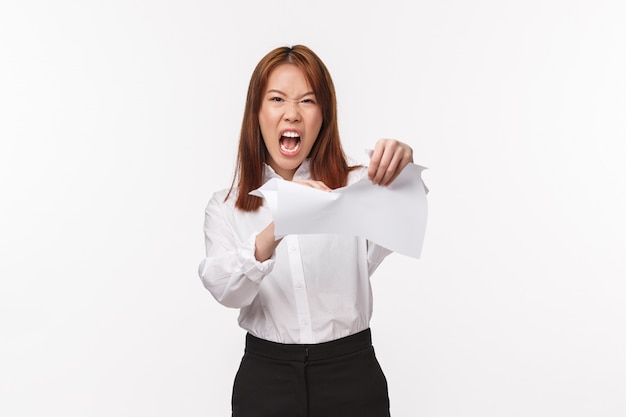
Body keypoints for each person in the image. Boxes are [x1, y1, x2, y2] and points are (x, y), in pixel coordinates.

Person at [198, 44, 417, 417]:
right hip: (266, 380)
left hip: (351, 375)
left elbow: (407, 215)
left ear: (324, 115)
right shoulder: (226, 205)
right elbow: (225, 289)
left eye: (307, 101)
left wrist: (402, 164)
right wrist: (280, 225)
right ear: (257, 113)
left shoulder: (357, 189)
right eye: (277, 99)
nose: (292, 113)